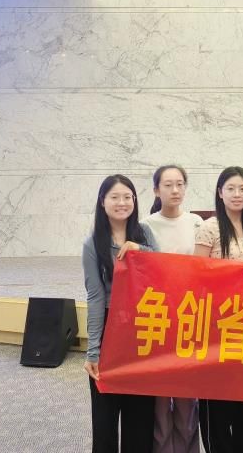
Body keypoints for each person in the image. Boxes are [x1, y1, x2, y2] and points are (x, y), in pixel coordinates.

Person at [82, 174, 158, 453]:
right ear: (102, 201)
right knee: (105, 416)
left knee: (141, 415)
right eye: (114, 197)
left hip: (143, 329)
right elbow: (95, 297)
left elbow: (162, 270)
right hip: (110, 330)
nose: (122, 202)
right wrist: (93, 351)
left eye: (127, 197)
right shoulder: (93, 244)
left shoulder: (144, 233)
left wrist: (141, 250)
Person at [194, 166, 243, 453]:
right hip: (218, 326)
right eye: (231, 189)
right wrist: (232, 274)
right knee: (219, 406)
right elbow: (196, 277)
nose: (237, 194)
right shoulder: (209, 228)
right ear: (220, 193)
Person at [141, 165, 203, 453]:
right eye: (168, 185)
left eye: (180, 184)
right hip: (159, 317)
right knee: (160, 398)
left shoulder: (197, 223)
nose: (175, 190)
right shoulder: (145, 226)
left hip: (190, 316)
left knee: (188, 396)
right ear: (156, 190)